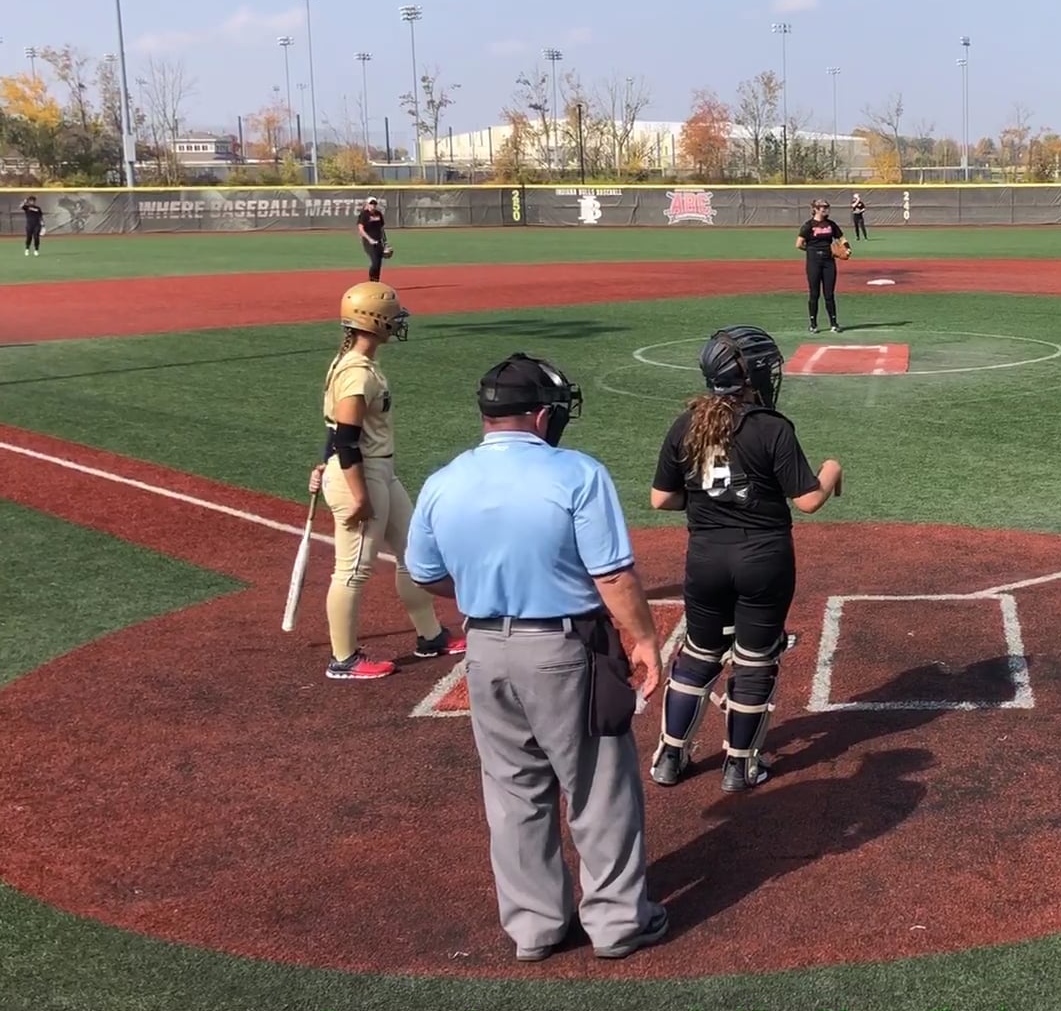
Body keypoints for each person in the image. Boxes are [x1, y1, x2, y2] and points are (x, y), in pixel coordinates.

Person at [405, 352, 671, 962]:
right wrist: (644, 640)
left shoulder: (444, 480)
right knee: (598, 785)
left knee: (513, 790)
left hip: (484, 651)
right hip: (564, 647)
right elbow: (611, 576)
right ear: (543, 416)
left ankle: (536, 927)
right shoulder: (577, 473)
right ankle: (617, 920)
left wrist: (483, 587)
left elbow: (425, 573)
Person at [647, 325, 843, 793]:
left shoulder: (686, 424)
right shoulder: (770, 427)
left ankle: (670, 757)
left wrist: (708, 499)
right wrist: (832, 470)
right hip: (762, 560)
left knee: (699, 653)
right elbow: (808, 500)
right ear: (752, 375)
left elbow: (661, 499)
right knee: (754, 660)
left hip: (706, 559)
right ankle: (739, 766)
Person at [306, 281, 464, 680]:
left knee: (414, 552)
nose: (398, 322)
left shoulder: (355, 362)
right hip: (361, 475)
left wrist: (324, 464)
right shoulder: (356, 374)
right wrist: (359, 496)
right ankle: (343, 659)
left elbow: (336, 433)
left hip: (377, 471)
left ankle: (431, 636)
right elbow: (346, 438)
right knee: (353, 569)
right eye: (392, 316)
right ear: (375, 320)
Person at [796, 199, 849, 333]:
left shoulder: (831, 224)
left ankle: (834, 324)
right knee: (814, 294)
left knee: (829, 294)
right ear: (815, 209)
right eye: (822, 207)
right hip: (814, 262)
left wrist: (847, 248)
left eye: (826, 207)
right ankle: (813, 324)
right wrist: (811, 251)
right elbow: (799, 244)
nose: (825, 209)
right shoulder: (808, 225)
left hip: (828, 262)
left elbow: (842, 238)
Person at [356, 197, 391, 281]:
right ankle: (371, 280)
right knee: (375, 262)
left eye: (374, 203)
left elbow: (381, 229)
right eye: (371, 203)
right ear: (367, 204)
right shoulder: (364, 214)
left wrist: (385, 242)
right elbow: (361, 229)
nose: (373, 205)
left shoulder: (379, 214)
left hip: (379, 241)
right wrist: (369, 239)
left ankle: (376, 282)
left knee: (378, 263)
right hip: (368, 242)